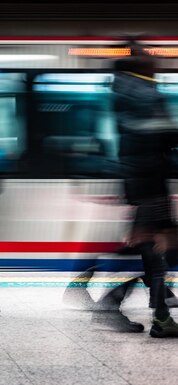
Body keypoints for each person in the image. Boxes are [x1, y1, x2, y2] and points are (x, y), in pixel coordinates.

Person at [79, 44, 178, 337]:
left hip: (140, 182)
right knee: (157, 250)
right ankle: (124, 308)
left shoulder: (126, 92)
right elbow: (157, 138)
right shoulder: (146, 95)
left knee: (150, 251)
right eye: (149, 56)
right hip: (150, 184)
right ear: (141, 66)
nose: (156, 60)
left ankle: (157, 314)